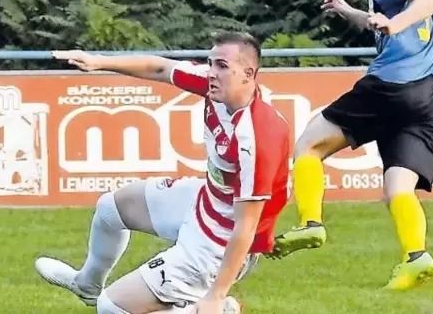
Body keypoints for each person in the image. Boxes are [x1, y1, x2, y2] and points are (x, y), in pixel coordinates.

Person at [34, 31, 291, 314]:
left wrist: (216, 295)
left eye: (222, 66)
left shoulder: (256, 136)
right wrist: (98, 61)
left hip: (219, 243)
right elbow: (162, 68)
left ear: (248, 74)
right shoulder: (216, 87)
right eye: (211, 63)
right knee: (111, 208)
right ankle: (87, 285)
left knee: (112, 308)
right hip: (205, 201)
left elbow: (248, 226)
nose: (211, 73)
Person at [269, 0, 433, 291]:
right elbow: (378, 22)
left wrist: (395, 21)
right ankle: (416, 257)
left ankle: (310, 223)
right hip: (426, 92)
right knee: (398, 187)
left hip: (390, 85)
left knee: (308, 148)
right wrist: (347, 10)